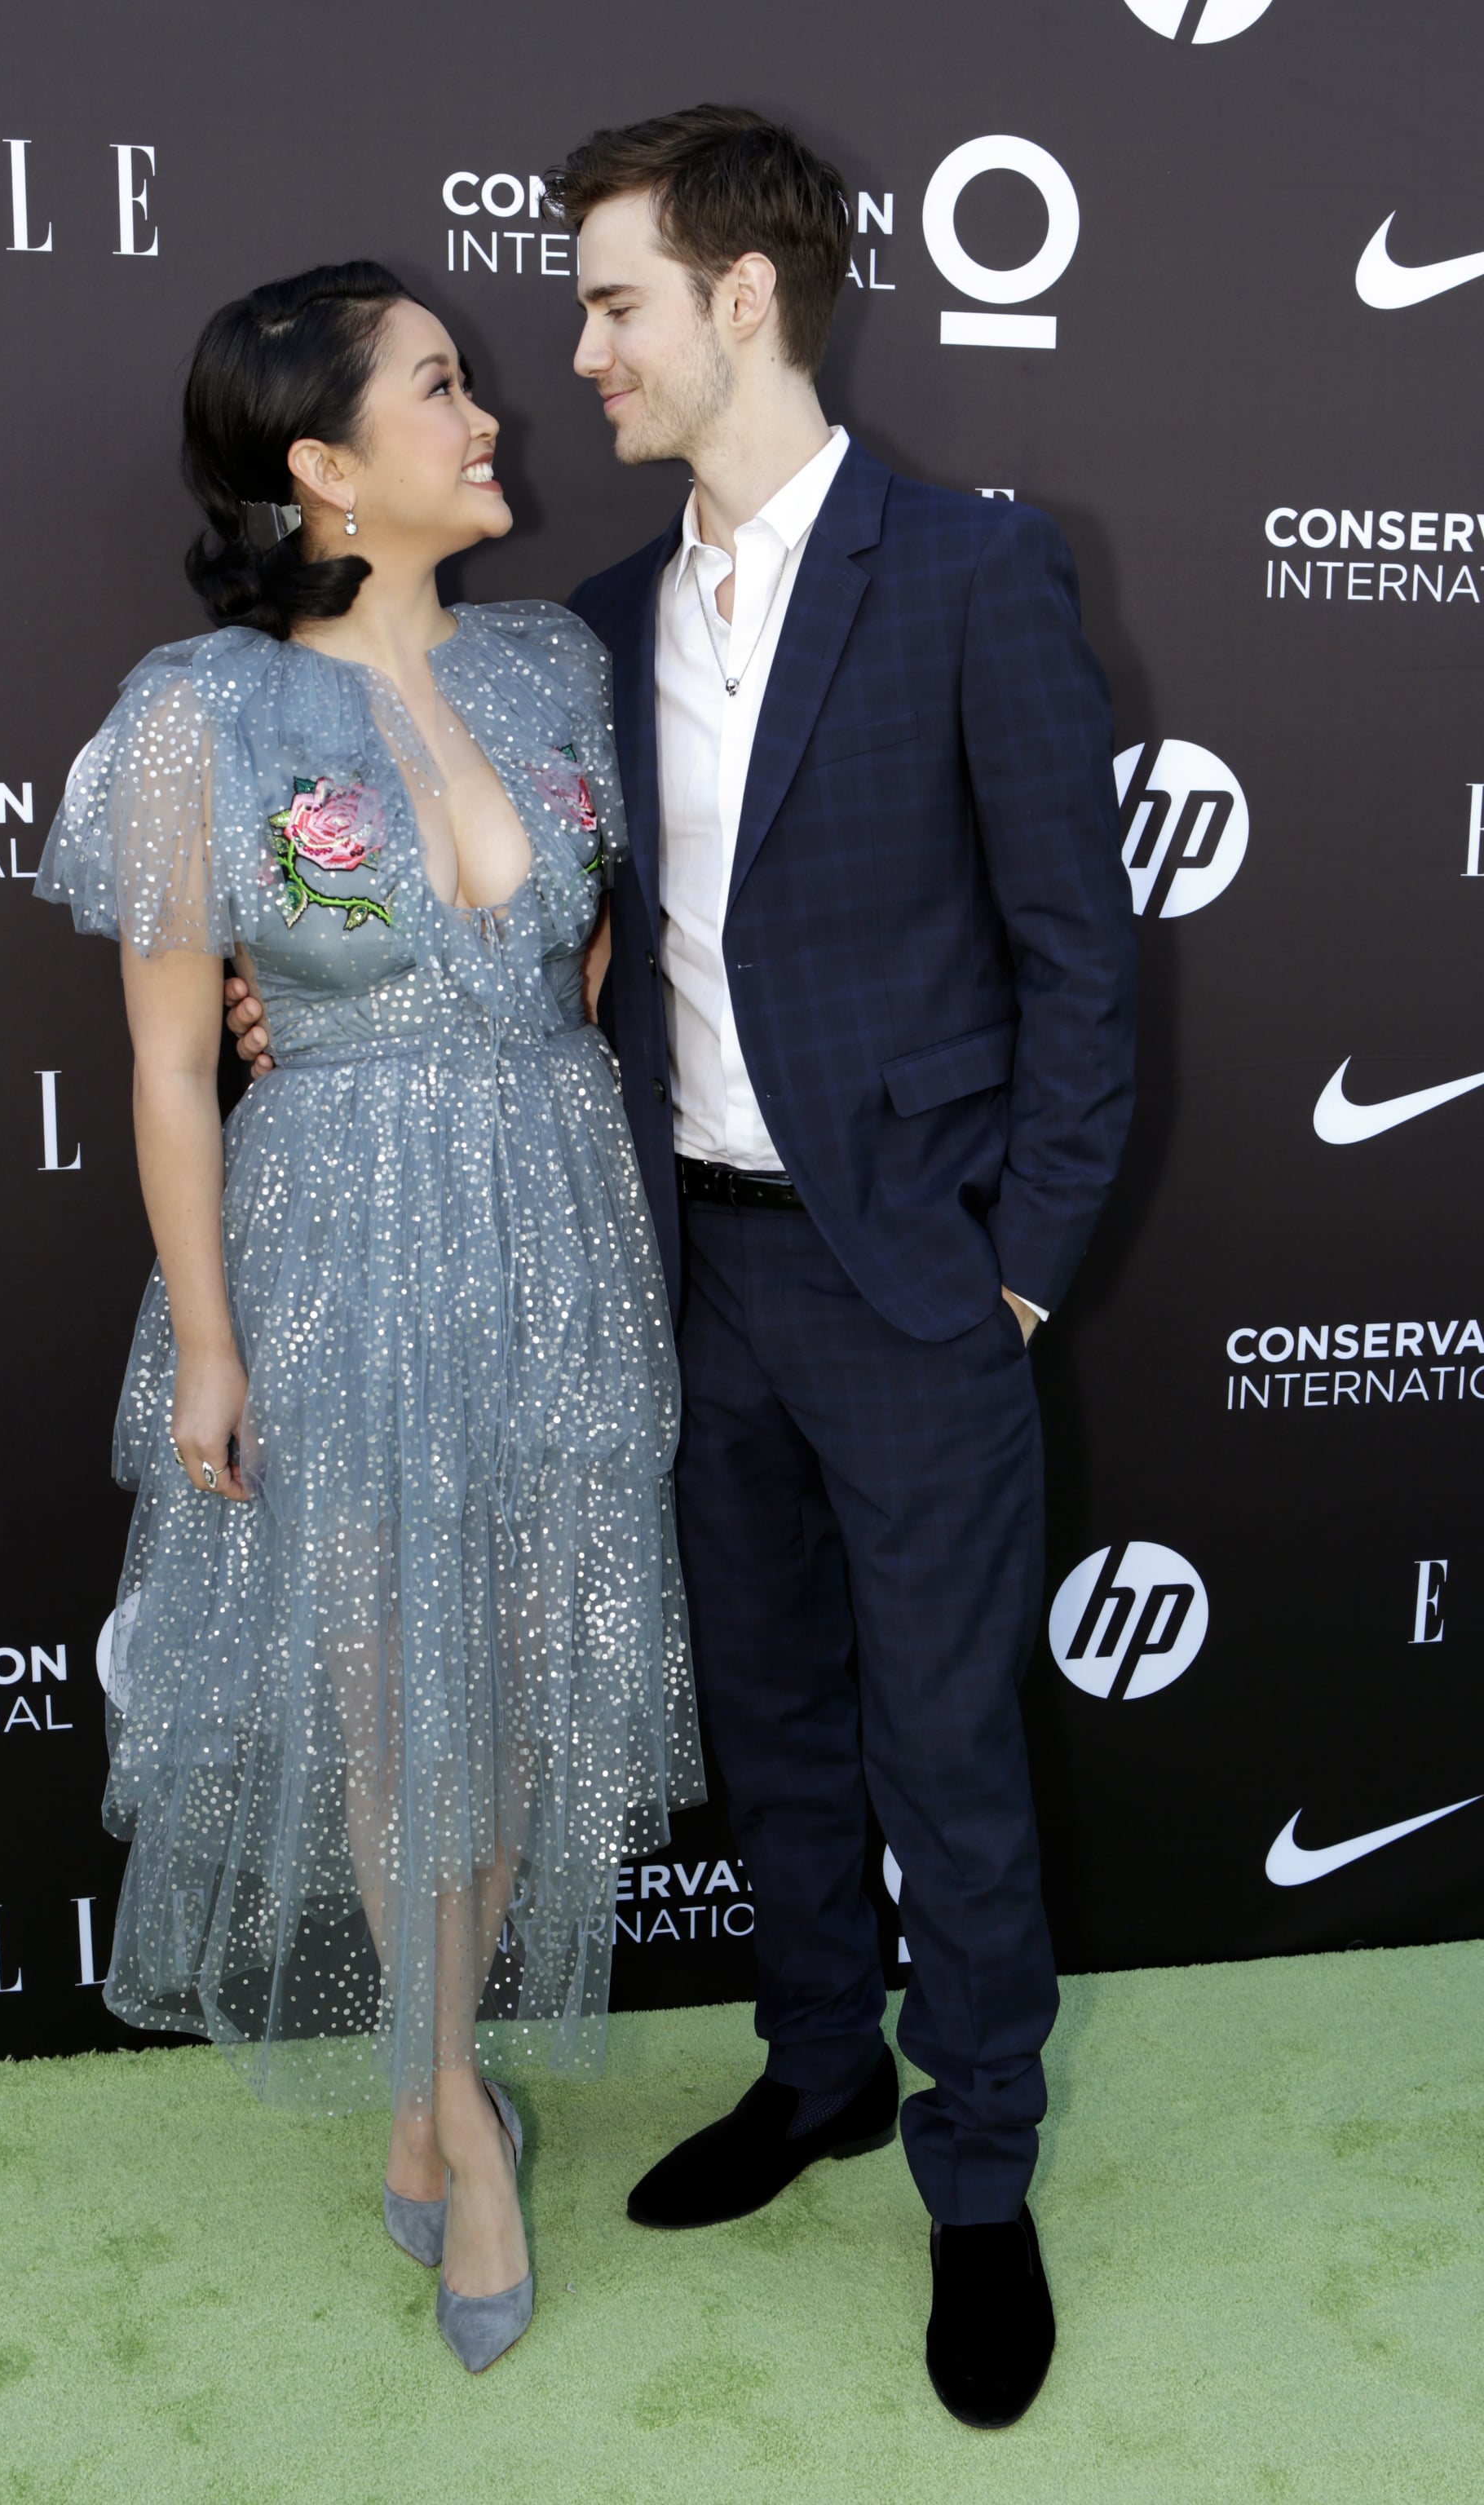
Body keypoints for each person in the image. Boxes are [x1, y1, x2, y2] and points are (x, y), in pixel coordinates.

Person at [230, 108, 1137, 2428]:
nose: (581, 350)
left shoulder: (970, 570)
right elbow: (491, 886)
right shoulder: (593, 631)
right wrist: (307, 982)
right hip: (684, 1282)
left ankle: (980, 2183)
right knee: (774, 1728)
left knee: (953, 1749)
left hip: (918, 1286)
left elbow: (1077, 961)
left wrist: (1020, 1271)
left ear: (740, 300)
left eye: (615, 302)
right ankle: (819, 2070)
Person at [35, 260, 703, 2375]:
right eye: (438, 388)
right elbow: (165, 1068)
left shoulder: (555, 673)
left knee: (501, 1718)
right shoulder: (192, 717)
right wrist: (212, 1348)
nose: (490, 412)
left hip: (553, 1230)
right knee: (397, 1726)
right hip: (334, 1239)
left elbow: (585, 978)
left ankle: (434, 2087)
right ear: (322, 465)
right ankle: (457, 2140)